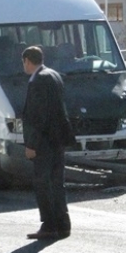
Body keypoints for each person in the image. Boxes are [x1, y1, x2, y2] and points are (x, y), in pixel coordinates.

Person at [21, 46, 76, 240]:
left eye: (24, 62)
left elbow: (38, 116)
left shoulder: (38, 80)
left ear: (28, 60)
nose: (24, 66)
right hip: (57, 139)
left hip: (43, 142)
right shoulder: (53, 75)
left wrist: (31, 145)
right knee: (57, 184)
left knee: (43, 184)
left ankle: (49, 225)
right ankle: (63, 224)